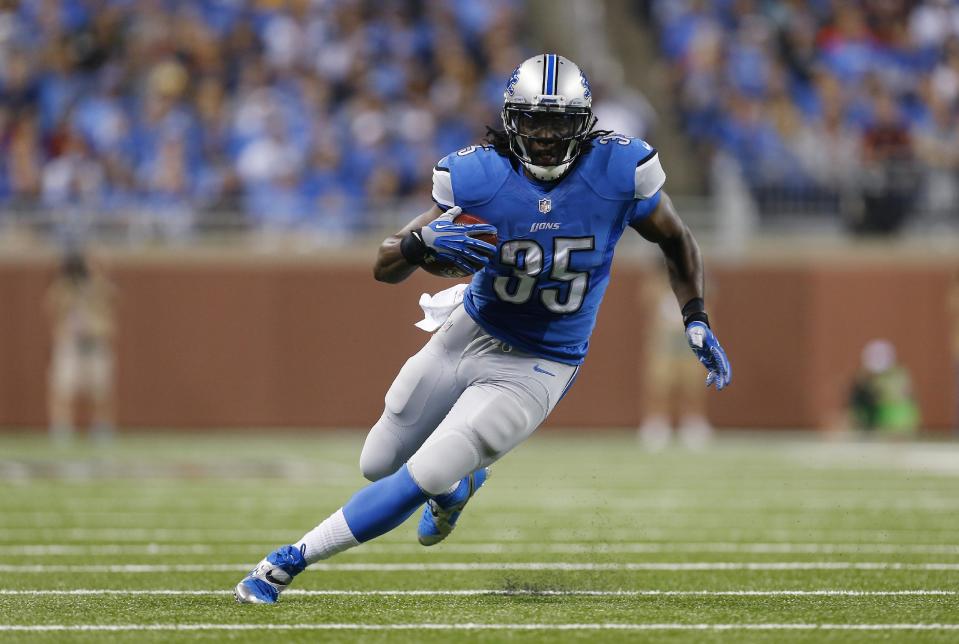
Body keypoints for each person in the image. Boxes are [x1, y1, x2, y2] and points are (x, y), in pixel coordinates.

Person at [234, 54, 732, 604]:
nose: (544, 137)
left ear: (584, 123)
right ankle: (458, 490)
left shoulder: (621, 171)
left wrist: (696, 317)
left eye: (558, 122)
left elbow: (676, 238)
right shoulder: (475, 177)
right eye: (533, 121)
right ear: (511, 120)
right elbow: (385, 264)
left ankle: (284, 564)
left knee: (426, 469)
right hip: (470, 331)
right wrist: (419, 245)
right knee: (376, 461)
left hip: (540, 363)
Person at [46, 251, 116, 443]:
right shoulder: (64, 288)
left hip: (94, 344)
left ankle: (102, 428)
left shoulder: (99, 288)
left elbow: (110, 300)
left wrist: (96, 277)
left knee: (100, 390)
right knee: (63, 388)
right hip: (70, 344)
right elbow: (52, 305)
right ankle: (62, 429)